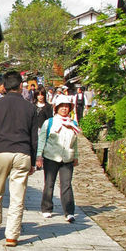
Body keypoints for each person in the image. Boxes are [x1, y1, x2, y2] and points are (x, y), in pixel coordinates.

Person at [0, 70, 38, 247]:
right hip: (23, 152)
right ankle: (12, 235)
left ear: (4, 86)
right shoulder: (30, 108)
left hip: (1, 152)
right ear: (21, 86)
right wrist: (33, 159)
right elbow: (34, 138)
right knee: (17, 196)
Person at [36, 93, 79, 223]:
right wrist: (39, 156)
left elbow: (75, 142)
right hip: (51, 156)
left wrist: (76, 156)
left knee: (66, 185)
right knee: (49, 183)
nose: (64, 109)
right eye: (62, 106)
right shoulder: (49, 123)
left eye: (67, 107)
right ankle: (47, 208)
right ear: (56, 108)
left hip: (67, 158)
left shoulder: (73, 123)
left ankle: (69, 211)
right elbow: (42, 139)